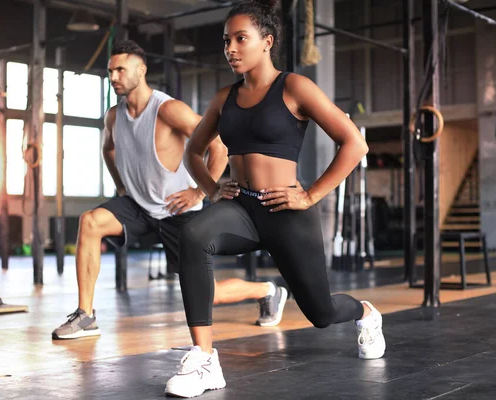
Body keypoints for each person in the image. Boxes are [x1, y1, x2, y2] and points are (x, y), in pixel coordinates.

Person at [164, 1, 386, 397]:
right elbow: (193, 152)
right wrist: (213, 191)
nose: (230, 48)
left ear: (266, 42)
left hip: (286, 213)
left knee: (321, 313)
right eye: (226, 40)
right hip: (242, 209)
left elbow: (354, 144)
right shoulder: (223, 98)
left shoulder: (295, 87)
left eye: (240, 39)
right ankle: (205, 359)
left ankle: (366, 313)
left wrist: (312, 194)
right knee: (194, 235)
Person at [52, 39, 288, 340]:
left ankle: (268, 291)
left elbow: (216, 146)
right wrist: (122, 186)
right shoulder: (114, 115)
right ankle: (86, 315)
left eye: (121, 70)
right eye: (111, 71)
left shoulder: (167, 110)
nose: (114, 77)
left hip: (179, 211)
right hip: (139, 206)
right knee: (90, 221)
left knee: (203, 291)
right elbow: (108, 149)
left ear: (141, 70)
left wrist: (200, 192)